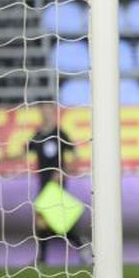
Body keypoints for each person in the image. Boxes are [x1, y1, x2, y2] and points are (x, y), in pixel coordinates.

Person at [21, 102, 89, 266]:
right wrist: (2, 158)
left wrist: (62, 171)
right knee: (48, 220)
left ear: (54, 113)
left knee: (49, 219)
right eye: (43, 112)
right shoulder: (37, 135)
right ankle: (79, 248)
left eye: (49, 111)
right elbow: (23, 153)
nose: (46, 114)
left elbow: (75, 156)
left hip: (56, 185)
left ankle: (80, 247)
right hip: (43, 182)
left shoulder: (60, 134)